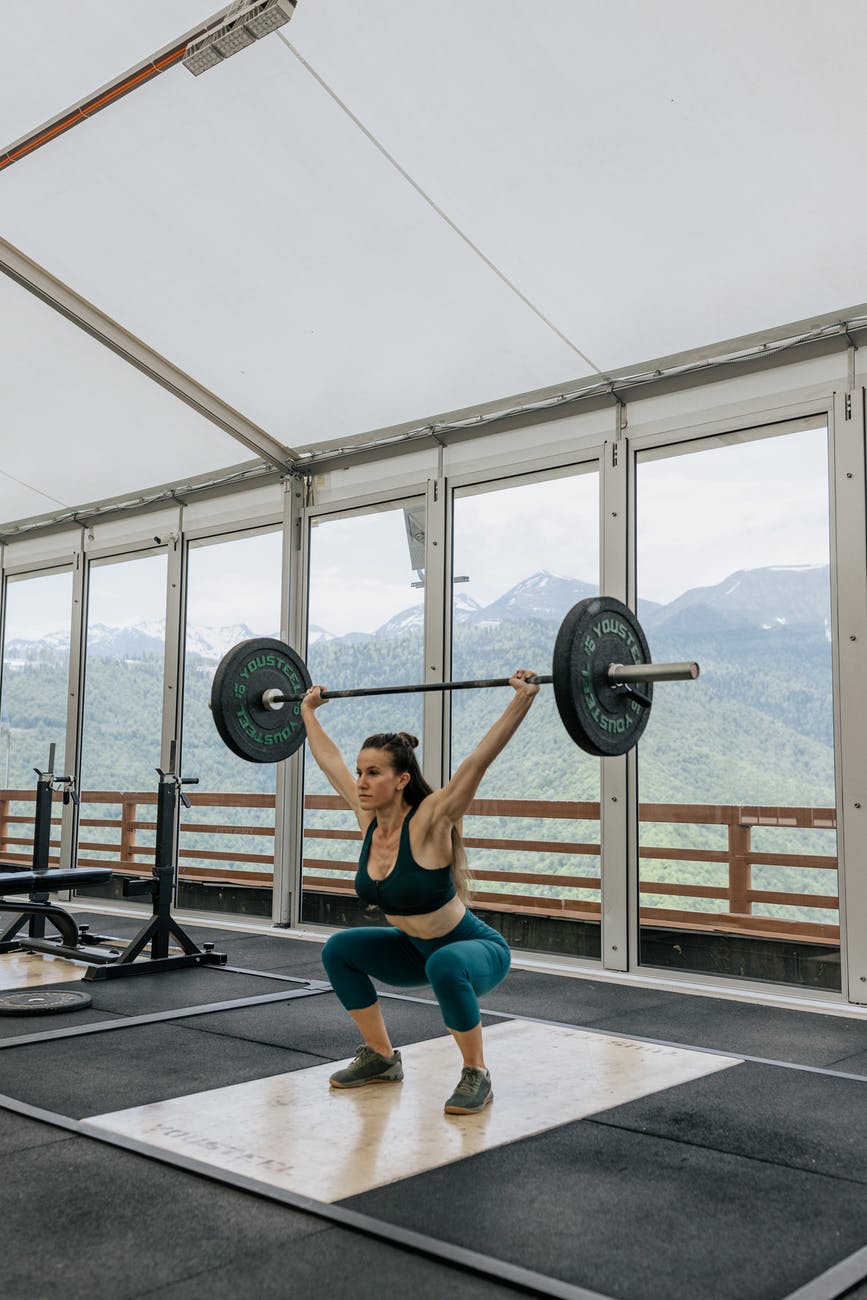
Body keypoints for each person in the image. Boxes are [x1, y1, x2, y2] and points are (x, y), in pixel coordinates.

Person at [301, 670, 539, 1114]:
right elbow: (327, 760)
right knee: (339, 950)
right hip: (416, 950)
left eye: (373, 773)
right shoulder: (368, 819)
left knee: (447, 962)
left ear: (402, 779)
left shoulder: (431, 819)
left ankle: (477, 1073)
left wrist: (522, 699)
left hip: (471, 949)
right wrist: (306, 711)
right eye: (360, 773)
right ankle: (381, 1057)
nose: (361, 782)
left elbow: (477, 762)